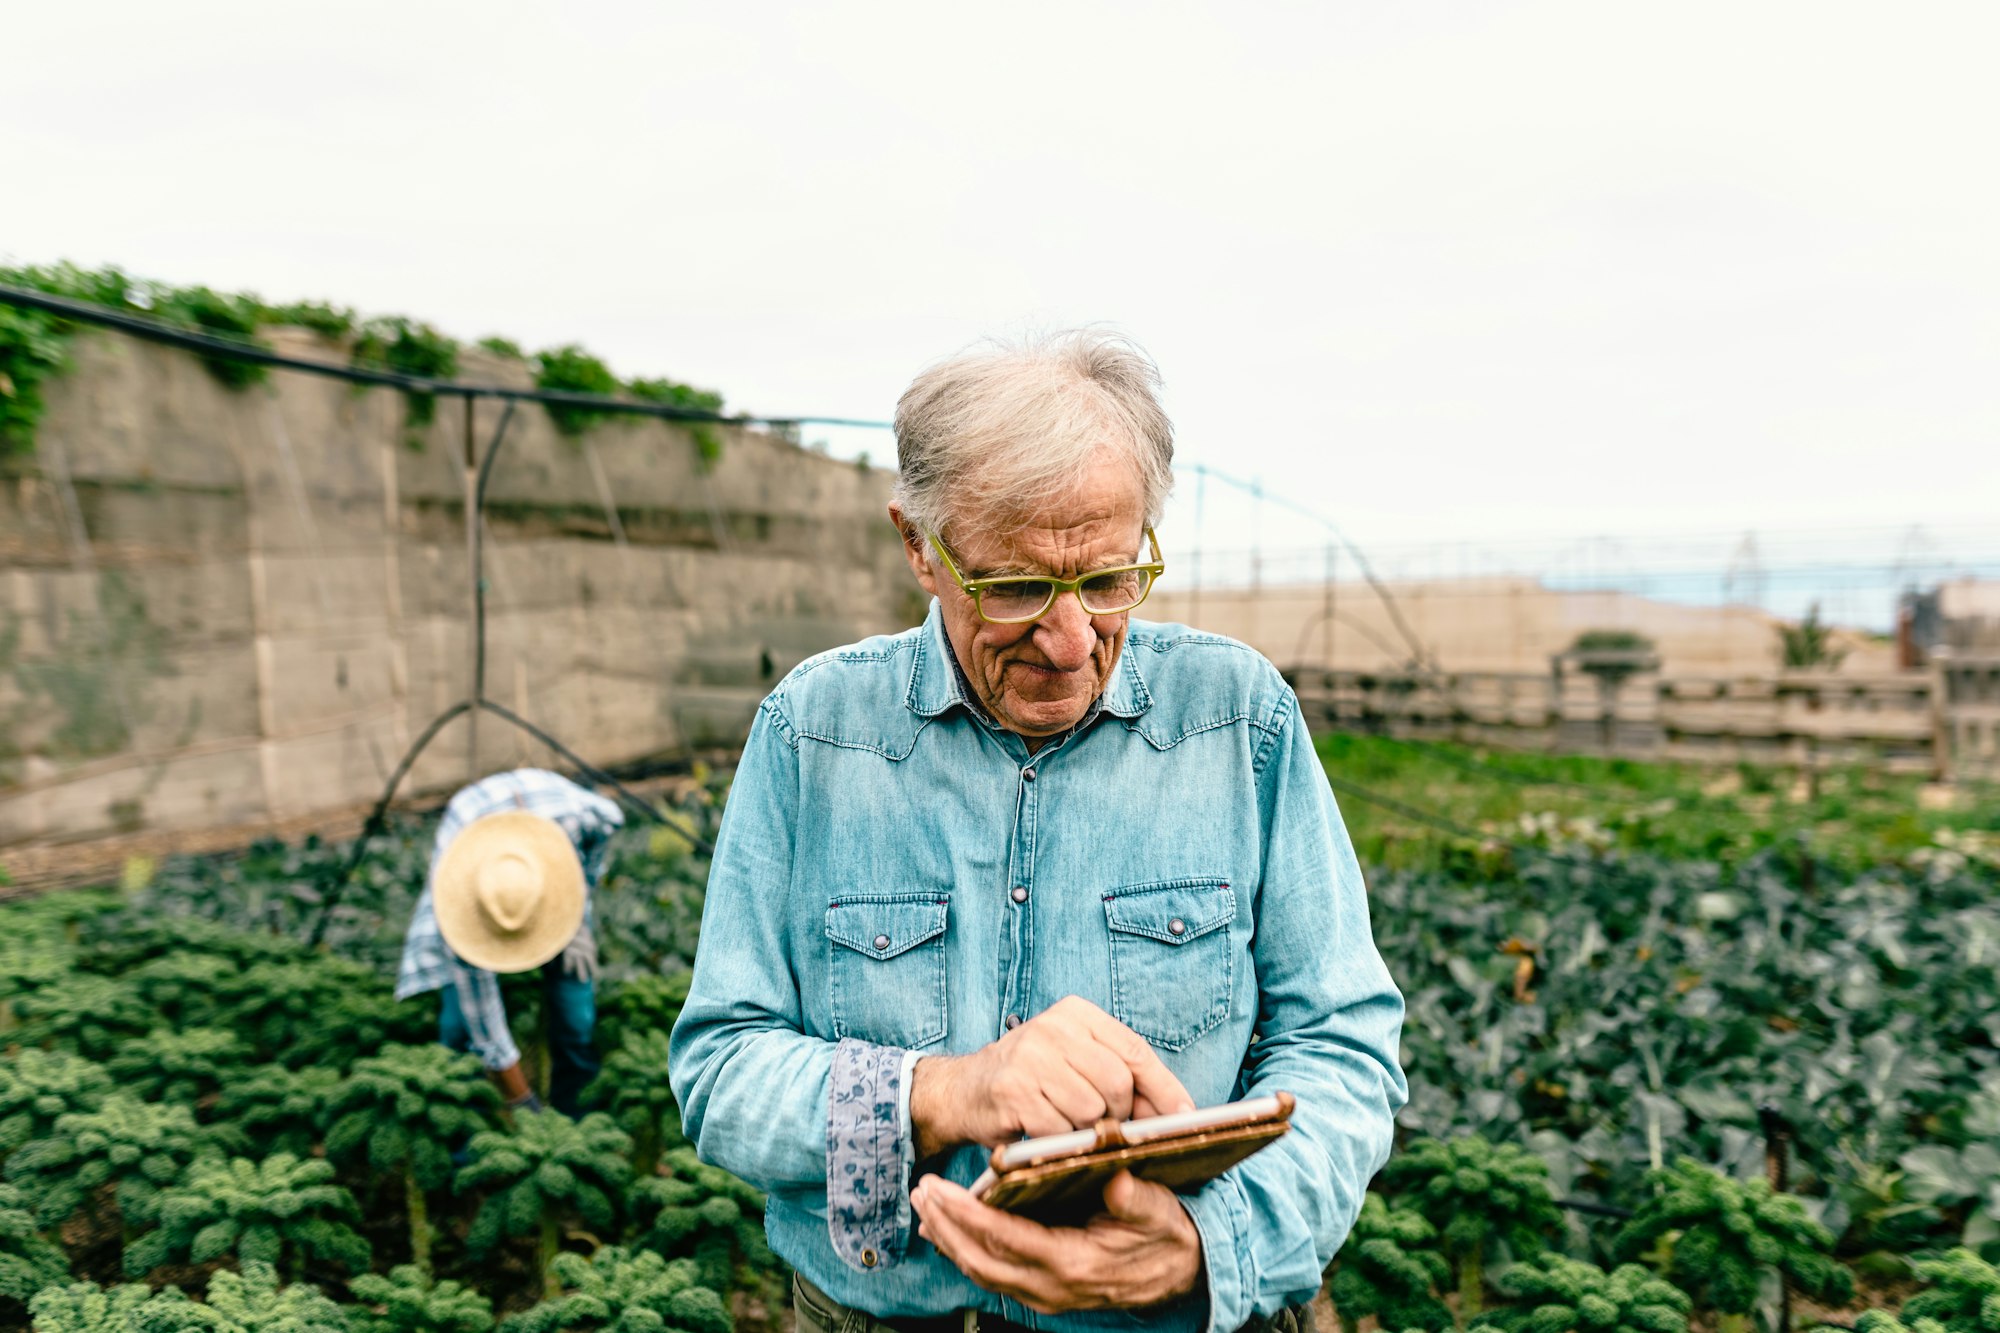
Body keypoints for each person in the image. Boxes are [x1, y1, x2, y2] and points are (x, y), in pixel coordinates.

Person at [670, 330, 1406, 1332]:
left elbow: (1341, 1040)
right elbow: (722, 1070)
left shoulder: (1237, 721)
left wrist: (1207, 1242)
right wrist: (947, 1092)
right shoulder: (816, 735)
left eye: (1107, 581)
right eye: (1013, 588)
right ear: (918, 548)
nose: (1069, 644)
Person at [395, 767, 623, 1115]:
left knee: (576, 1013)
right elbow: (483, 1016)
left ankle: (575, 1111)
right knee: (458, 1028)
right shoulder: (460, 902)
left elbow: (610, 819)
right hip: (470, 848)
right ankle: (459, 1115)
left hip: (553, 847)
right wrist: (518, 1096)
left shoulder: (577, 816)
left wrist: (580, 905)